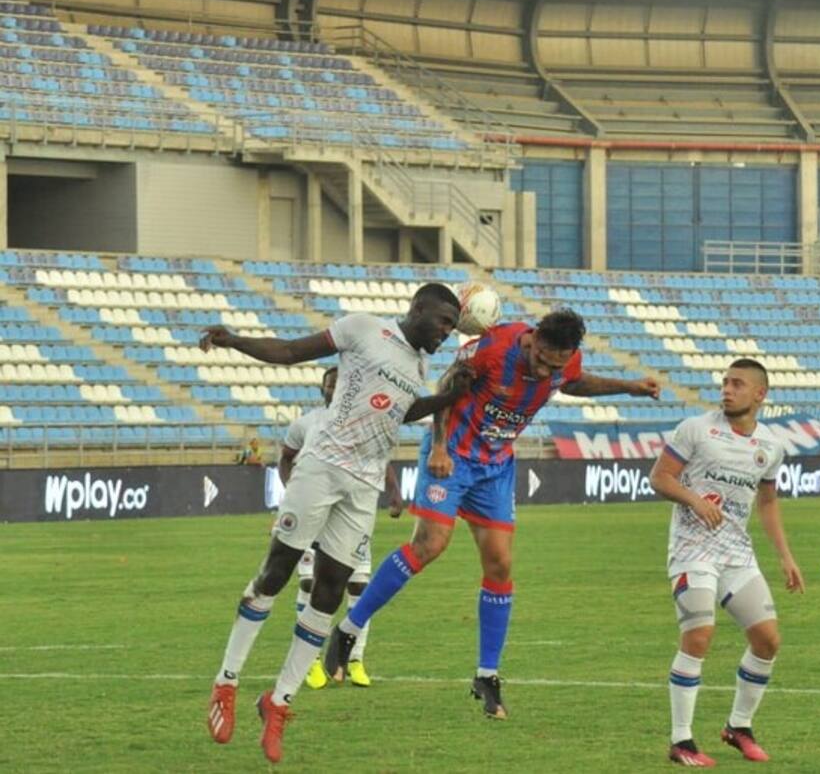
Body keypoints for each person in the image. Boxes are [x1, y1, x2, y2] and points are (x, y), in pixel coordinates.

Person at [323, 309, 660, 719]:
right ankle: (348, 630)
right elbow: (447, 386)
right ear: (533, 338)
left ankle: (487, 675)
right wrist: (442, 446)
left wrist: (630, 388)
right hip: (453, 456)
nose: (544, 369)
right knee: (430, 545)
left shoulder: (563, 361)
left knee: (500, 564)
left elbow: (573, 382)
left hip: (496, 466)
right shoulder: (493, 347)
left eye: (554, 364)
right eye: (540, 359)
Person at [203, 283, 469, 764]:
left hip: (364, 486)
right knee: (277, 572)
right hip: (322, 466)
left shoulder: (420, 366)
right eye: (444, 322)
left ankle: (278, 701)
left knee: (329, 593)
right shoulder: (363, 329)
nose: (448, 333)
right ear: (418, 309)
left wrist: (448, 396)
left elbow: (402, 413)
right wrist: (236, 340)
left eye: (454, 327)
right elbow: (289, 351)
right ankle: (226, 681)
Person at [648, 358, 804, 767]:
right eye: (725, 382)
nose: (727, 389)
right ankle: (681, 741)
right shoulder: (696, 429)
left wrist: (786, 557)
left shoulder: (771, 446)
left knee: (768, 640)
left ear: (759, 394)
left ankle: (739, 727)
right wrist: (695, 500)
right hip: (691, 550)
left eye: (737, 384)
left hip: (737, 554)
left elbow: (768, 503)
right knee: (699, 636)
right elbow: (660, 477)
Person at [275, 366, 402, 690]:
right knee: (309, 585)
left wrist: (394, 492)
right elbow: (286, 458)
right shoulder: (307, 424)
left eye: (339, 384)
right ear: (323, 390)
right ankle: (311, 661)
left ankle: (354, 659)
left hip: (350, 518)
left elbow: (381, 461)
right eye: (329, 385)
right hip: (314, 517)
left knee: (359, 587)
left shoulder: (366, 423)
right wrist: (295, 494)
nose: (334, 389)